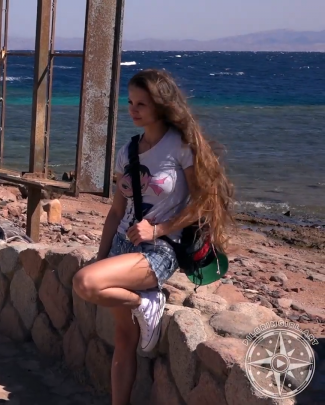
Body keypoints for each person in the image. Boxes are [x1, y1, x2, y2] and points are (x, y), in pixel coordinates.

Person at [72, 69, 233, 405]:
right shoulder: (127, 151)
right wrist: (102, 254)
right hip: (122, 246)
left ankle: (147, 301)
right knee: (124, 337)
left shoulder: (180, 146)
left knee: (86, 283)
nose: (133, 109)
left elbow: (204, 201)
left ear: (161, 105)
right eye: (130, 102)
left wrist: (158, 229)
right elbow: (117, 212)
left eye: (142, 103)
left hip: (160, 250)